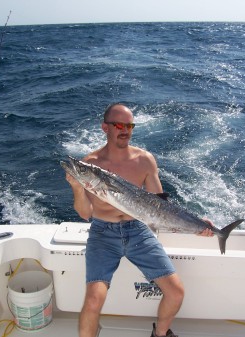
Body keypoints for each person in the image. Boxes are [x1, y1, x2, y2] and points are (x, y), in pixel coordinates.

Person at [65, 103, 214, 337]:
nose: (125, 130)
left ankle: (160, 333)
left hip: (138, 229)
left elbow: (159, 206)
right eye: (119, 125)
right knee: (94, 300)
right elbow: (85, 214)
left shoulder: (144, 160)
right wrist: (76, 186)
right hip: (103, 234)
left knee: (176, 292)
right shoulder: (90, 165)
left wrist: (196, 225)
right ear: (105, 127)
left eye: (130, 125)